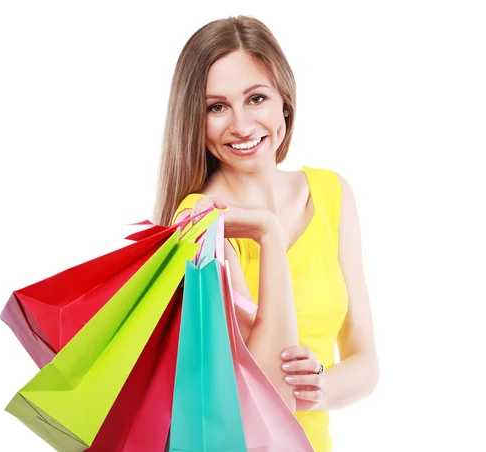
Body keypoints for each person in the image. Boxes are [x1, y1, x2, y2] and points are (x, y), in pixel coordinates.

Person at [153, 15, 379, 452]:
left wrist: (319, 387)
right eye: (216, 107)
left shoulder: (332, 194)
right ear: (195, 122)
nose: (240, 125)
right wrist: (269, 235)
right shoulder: (198, 222)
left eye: (256, 98)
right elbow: (264, 393)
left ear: (284, 103)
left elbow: (365, 362)